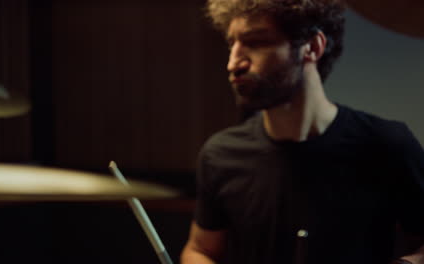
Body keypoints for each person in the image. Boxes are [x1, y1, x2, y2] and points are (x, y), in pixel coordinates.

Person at [180, 0, 424, 264]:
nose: (233, 63)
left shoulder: (387, 145)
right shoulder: (221, 155)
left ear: (312, 47)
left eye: (256, 42)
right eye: (232, 44)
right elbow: (200, 250)